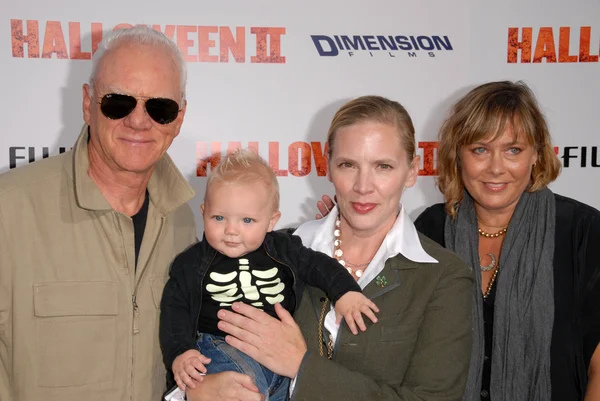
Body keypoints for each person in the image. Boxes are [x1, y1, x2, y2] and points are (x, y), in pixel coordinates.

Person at [185, 95, 475, 401]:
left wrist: (301, 367)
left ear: (413, 170)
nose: (363, 186)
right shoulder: (271, 250)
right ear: (328, 166)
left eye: (383, 166)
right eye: (348, 165)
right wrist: (193, 390)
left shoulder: (444, 277)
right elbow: (199, 341)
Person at [0, 26, 197, 401]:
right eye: (118, 102)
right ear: (88, 103)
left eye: (160, 108)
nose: (139, 122)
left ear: (179, 118)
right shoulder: (8, 210)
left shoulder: (184, 221)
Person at [412, 81, 600, 401]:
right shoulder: (429, 229)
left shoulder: (583, 231)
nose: (496, 168)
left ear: (537, 155)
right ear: (459, 155)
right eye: (480, 149)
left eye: (513, 150)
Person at [160, 149, 380, 400]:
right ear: (203, 211)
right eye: (219, 217)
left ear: (271, 221)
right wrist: (181, 353)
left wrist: (345, 292)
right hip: (221, 348)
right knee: (245, 392)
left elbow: (320, 265)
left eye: (247, 220)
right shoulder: (191, 262)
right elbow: (173, 312)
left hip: (282, 359)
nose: (231, 230)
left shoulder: (284, 248)